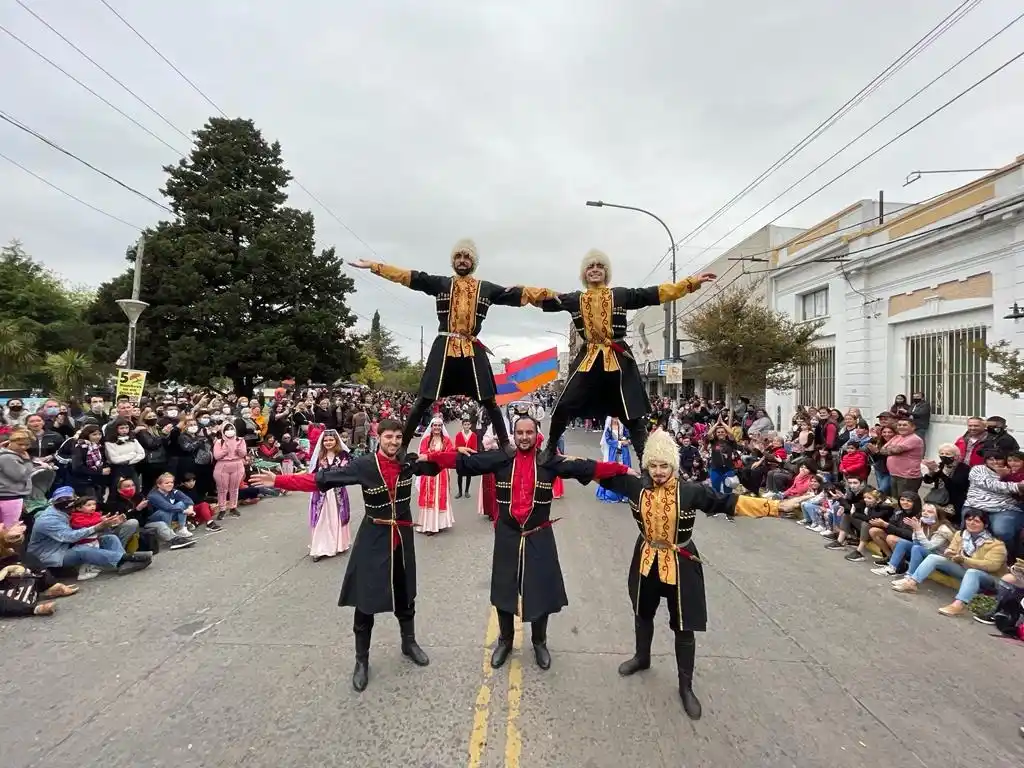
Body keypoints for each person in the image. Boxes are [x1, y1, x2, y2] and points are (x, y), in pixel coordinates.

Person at [250, 419, 445, 692]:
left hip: (402, 537)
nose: (394, 442)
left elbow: (441, 465)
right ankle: (361, 661)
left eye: (399, 437)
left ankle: (408, 642)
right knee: (365, 600)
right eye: (389, 436)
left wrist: (454, 454)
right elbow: (322, 479)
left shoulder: (408, 463)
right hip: (373, 538)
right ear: (379, 437)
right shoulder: (364, 465)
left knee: (405, 591)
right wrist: (281, 480)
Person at [426, 415, 633, 671]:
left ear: (537, 434)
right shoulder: (501, 458)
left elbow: (587, 468)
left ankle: (539, 642)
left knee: (540, 590)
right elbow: (465, 462)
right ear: (514, 435)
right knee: (503, 588)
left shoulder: (548, 461)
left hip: (539, 532)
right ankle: (505, 641)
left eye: (529, 432)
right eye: (520, 432)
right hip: (508, 533)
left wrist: (622, 469)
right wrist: (432, 458)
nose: (524, 437)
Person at [349, 240, 559, 454]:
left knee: (489, 400)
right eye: (458, 257)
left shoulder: (485, 288)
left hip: (471, 347)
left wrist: (550, 295)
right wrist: (375, 266)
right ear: (453, 262)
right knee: (424, 399)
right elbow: (408, 277)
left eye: (466, 257)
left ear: (473, 262)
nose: (462, 261)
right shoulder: (441, 284)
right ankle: (403, 446)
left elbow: (519, 293)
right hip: (445, 345)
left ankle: (505, 443)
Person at [594, 428, 736, 720]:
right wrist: (557, 462)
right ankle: (642, 658)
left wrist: (775, 506)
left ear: (674, 465)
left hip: (681, 562)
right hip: (646, 557)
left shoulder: (690, 491)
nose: (658, 472)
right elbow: (593, 472)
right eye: (653, 466)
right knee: (642, 612)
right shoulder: (636, 488)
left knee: (684, 625)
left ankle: (686, 687)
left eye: (664, 466)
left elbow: (728, 502)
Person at [539, 249, 715, 462]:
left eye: (600, 266)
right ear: (584, 273)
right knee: (564, 403)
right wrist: (514, 293)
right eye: (590, 267)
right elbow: (544, 297)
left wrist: (690, 283)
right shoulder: (575, 299)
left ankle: (644, 462)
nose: (595, 270)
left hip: (618, 358)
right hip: (588, 358)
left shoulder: (620, 295)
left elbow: (654, 293)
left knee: (632, 415)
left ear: (606, 272)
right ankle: (550, 448)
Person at [307, 429, 352, 561]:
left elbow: (348, 470)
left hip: (338, 491)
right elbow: (313, 473)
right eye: (325, 440)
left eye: (331, 440)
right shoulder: (319, 455)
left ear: (336, 440)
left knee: (337, 516)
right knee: (321, 519)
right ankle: (319, 548)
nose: (328, 442)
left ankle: (339, 544)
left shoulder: (343, 455)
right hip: (322, 492)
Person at [416, 417, 454, 535]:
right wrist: (436, 456)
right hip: (428, 473)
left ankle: (440, 523)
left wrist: (433, 456)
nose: (437, 427)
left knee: (440, 497)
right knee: (428, 498)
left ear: (442, 427)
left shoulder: (447, 440)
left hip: (441, 472)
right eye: (435, 425)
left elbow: (449, 454)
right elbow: (422, 453)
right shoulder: (425, 440)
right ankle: (428, 525)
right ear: (431, 427)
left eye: (439, 425)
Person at [596, 417, 632, 503]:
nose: (616, 419)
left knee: (625, 469)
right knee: (613, 470)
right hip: (613, 451)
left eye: (617, 417)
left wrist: (627, 441)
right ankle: (613, 494)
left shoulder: (622, 426)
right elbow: (608, 440)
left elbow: (628, 436)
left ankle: (625, 494)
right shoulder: (608, 427)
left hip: (623, 451)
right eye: (614, 417)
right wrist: (619, 443)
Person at [454, 418, 478, 499]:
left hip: (469, 456)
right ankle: (460, 491)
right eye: (465, 425)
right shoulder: (458, 435)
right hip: (460, 457)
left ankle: (467, 491)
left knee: (468, 474)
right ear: (462, 425)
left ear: (470, 425)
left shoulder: (473, 435)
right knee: (459, 474)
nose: (466, 426)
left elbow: (474, 448)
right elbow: (456, 447)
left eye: (468, 424)